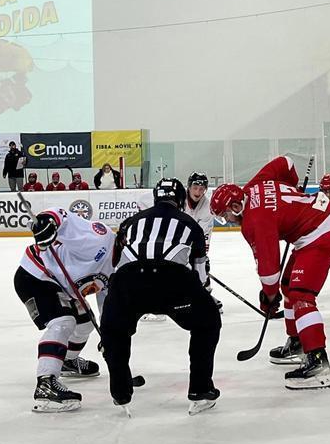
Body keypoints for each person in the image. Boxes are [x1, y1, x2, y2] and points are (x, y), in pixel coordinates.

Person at [210, 155, 330, 390]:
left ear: (235, 206)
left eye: (226, 215)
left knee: (302, 295)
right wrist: (292, 191)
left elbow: (269, 269)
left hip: (322, 232)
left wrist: (269, 298)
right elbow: (286, 162)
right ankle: (297, 343)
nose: (228, 221)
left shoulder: (254, 222)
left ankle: (317, 360)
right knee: (288, 286)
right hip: (316, 223)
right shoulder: (254, 185)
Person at [101, 178, 222, 415]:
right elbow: (200, 273)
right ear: (180, 199)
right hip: (172, 281)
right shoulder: (191, 224)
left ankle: (120, 392)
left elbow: (115, 262)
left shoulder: (129, 222)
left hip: (128, 281)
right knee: (208, 324)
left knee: (114, 331)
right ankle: (200, 389)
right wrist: (197, 294)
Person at [13, 208, 114, 413]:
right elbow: (65, 218)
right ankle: (46, 384)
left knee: (85, 322)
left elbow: (109, 304)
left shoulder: (122, 268)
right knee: (63, 321)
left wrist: (110, 335)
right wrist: (50, 221)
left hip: (62, 286)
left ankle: (66, 361)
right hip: (36, 275)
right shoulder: (100, 238)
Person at [184, 172, 220, 309]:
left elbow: (204, 236)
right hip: (176, 239)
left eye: (201, 189)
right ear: (188, 187)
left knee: (202, 265)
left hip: (195, 240)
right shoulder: (180, 200)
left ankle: (206, 294)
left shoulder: (207, 207)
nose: (198, 192)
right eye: (195, 187)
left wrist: (200, 256)